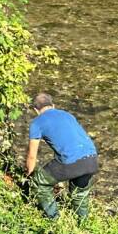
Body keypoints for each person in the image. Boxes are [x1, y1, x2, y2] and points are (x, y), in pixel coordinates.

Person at [25, 93, 99, 221]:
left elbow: (32, 156)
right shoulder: (67, 115)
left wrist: (29, 174)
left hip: (71, 162)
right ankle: (84, 225)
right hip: (92, 159)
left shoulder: (37, 123)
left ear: (36, 110)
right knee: (79, 194)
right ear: (53, 105)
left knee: (39, 183)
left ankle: (54, 220)